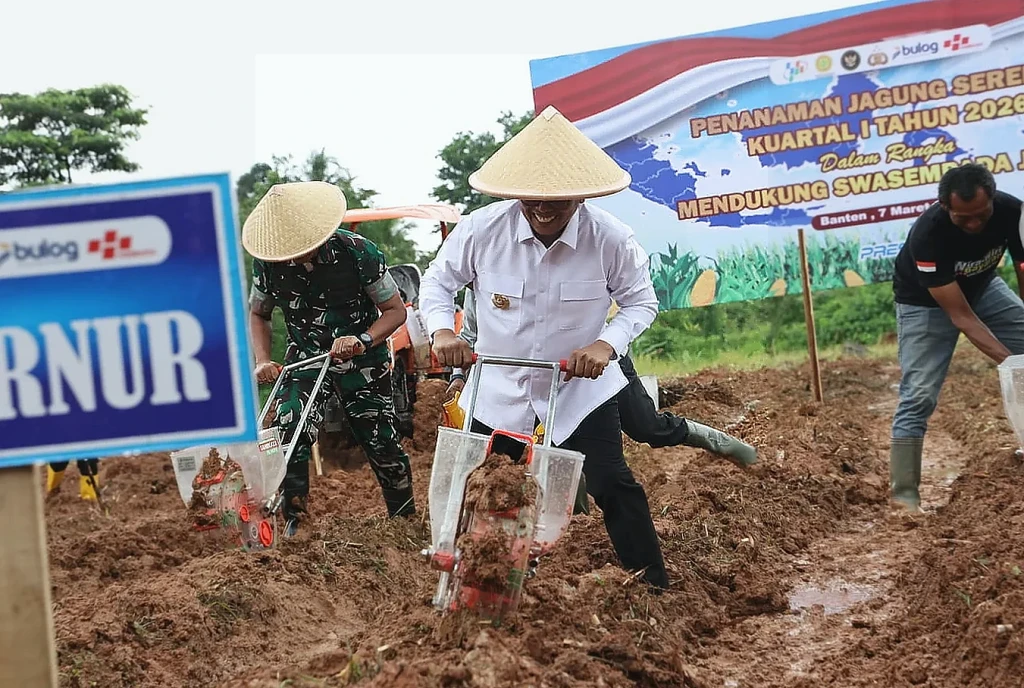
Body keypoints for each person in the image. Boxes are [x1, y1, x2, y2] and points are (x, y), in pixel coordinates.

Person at [420, 106, 670, 590]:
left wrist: (606, 343)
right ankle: (469, 584)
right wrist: (442, 332)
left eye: (558, 200)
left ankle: (653, 584)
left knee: (610, 483)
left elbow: (642, 303)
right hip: (498, 386)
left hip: (576, 390)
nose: (544, 208)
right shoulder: (479, 231)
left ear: (581, 194)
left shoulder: (610, 239)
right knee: (479, 488)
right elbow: (435, 285)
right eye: (532, 199)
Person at [242, 181, 416, 534]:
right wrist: (262, 359)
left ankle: (405, 521)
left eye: (300, 248)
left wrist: (363, 339)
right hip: (305, 358)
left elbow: (395, 311)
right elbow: (258, 313)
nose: (293, 257)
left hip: (362, 361)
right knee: (288, 433)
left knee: (380, 440)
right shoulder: (269, 265)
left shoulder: (359, 253)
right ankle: (295, 523)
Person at [446, 285, 759, 467]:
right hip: (533, 377)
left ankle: (725, 445)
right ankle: (573, 519)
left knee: (646, 427)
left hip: (599, 365)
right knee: (551, 444)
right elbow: (471, 335)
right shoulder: (478, 288)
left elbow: (629, 307)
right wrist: (458, 376)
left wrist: (605, 348)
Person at [889, 163, 1024, 511]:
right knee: (918, 394)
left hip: (983, 287)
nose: (975, 224)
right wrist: (1010, 362)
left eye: (981, 214)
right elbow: (960, 315)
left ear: (992, 199)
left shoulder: (1013, 211)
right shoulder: (928, 235)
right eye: (964, 219)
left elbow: (1023, 268)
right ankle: (905, 497)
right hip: (925, 302)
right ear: (946, 208)